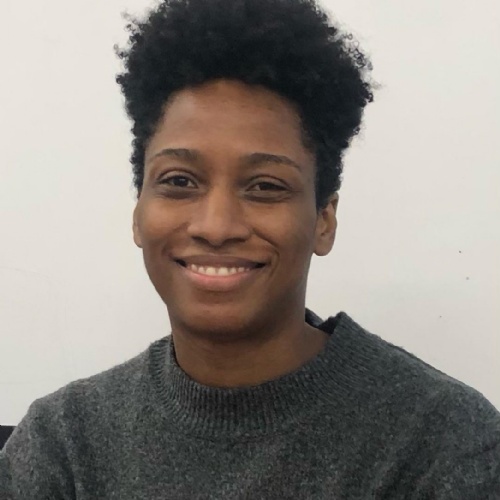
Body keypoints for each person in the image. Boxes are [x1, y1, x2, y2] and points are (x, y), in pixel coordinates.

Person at [1, 0, 499, 497]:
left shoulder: (441, 443)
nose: (216, 226)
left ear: (324, 220)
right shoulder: (62, 444)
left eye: (265, 186)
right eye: (179, 181)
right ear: (138, 212)